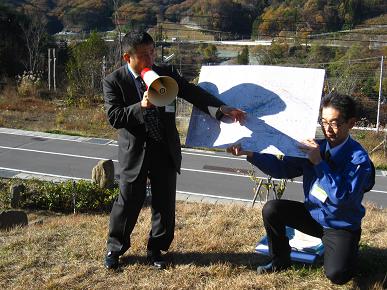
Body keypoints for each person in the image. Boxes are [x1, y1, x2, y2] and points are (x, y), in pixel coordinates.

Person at [103, 31, 246, 270]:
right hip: (135, 153)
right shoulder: (114, 81)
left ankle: (157, 249)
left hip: (164, 149)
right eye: (143, 55)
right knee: (127, 202)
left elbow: (192, 93)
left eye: (152, 52)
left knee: (164, 203)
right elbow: (114, 117)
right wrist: (140, 106)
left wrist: (221, 109)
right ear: (127, 57)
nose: (150, 59)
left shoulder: (166, 74)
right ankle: (115, 249)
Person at [227, 93, 374, 285]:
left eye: (335, 123)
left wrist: (319, 163)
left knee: (338, 275)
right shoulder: (315, 147)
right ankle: (280, 260)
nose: (327, 129)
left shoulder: (358, 159)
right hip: (313, 216)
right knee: (273, 209)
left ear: (351, 123)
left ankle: (348, 251)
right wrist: (251, 153)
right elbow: (281, 169)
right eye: (323, 122)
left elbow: (342, 198)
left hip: (340, 225)